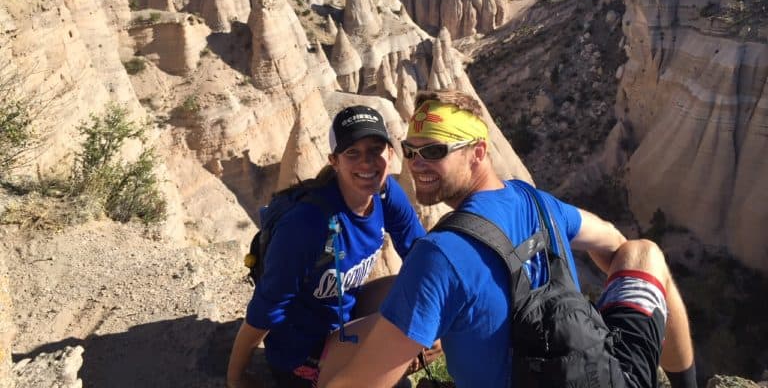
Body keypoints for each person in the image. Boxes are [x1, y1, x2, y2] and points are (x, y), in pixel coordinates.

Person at [320, 89, 697, 388]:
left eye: (434, 151)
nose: (416, 164)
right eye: (410, 151)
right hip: (608, 376)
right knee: (643, 252)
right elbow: (614, 243)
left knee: (338, 348)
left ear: (478, 152)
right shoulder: (538, 202)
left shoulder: (440, 255)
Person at [227, 105, 427, 388]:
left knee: (424, 292)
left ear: (390, 153)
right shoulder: (308, 225)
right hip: (302, 351)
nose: (367, 162)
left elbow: (421, 255)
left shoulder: (385, 193)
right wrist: (236, 378)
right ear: (335, 161)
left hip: (343, 317)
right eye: (352, 153)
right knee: (407, 334)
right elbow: (265, 310)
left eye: (375, 149)